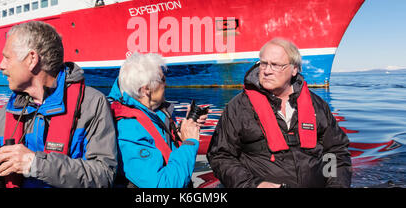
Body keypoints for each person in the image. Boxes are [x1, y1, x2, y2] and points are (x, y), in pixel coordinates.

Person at [0, 21, 117, 188]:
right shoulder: (3, 115)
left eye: (7, 57)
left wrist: (35, 164)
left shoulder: (92, 104)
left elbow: (104, 176)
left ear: (31, 59)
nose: (1, 66)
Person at [207, 38, 352, 188]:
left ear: (294, 69)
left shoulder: (318, 105)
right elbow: (220, 156)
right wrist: (253, 185)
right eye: (263, 64)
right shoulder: (238, 107)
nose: (267, 71)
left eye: (275, 65)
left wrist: (336, 184)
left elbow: (336, 151)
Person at [108, 52, 208, 188]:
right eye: (163, 79)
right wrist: (189, 144)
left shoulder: (154, 111)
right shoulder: (127, 130)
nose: (166, 83)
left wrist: (185, 130)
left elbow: (165, 147)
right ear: (146, 90)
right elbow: (162, 185)